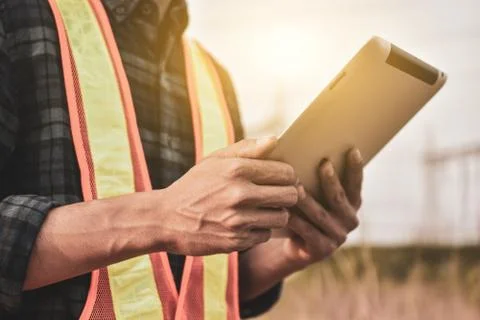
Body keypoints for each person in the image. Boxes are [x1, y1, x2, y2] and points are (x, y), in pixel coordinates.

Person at [0, 0, 363, 319]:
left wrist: (286, 254)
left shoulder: (212, 75)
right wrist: (162, 216)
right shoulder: (14, 18)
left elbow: (193, 287)